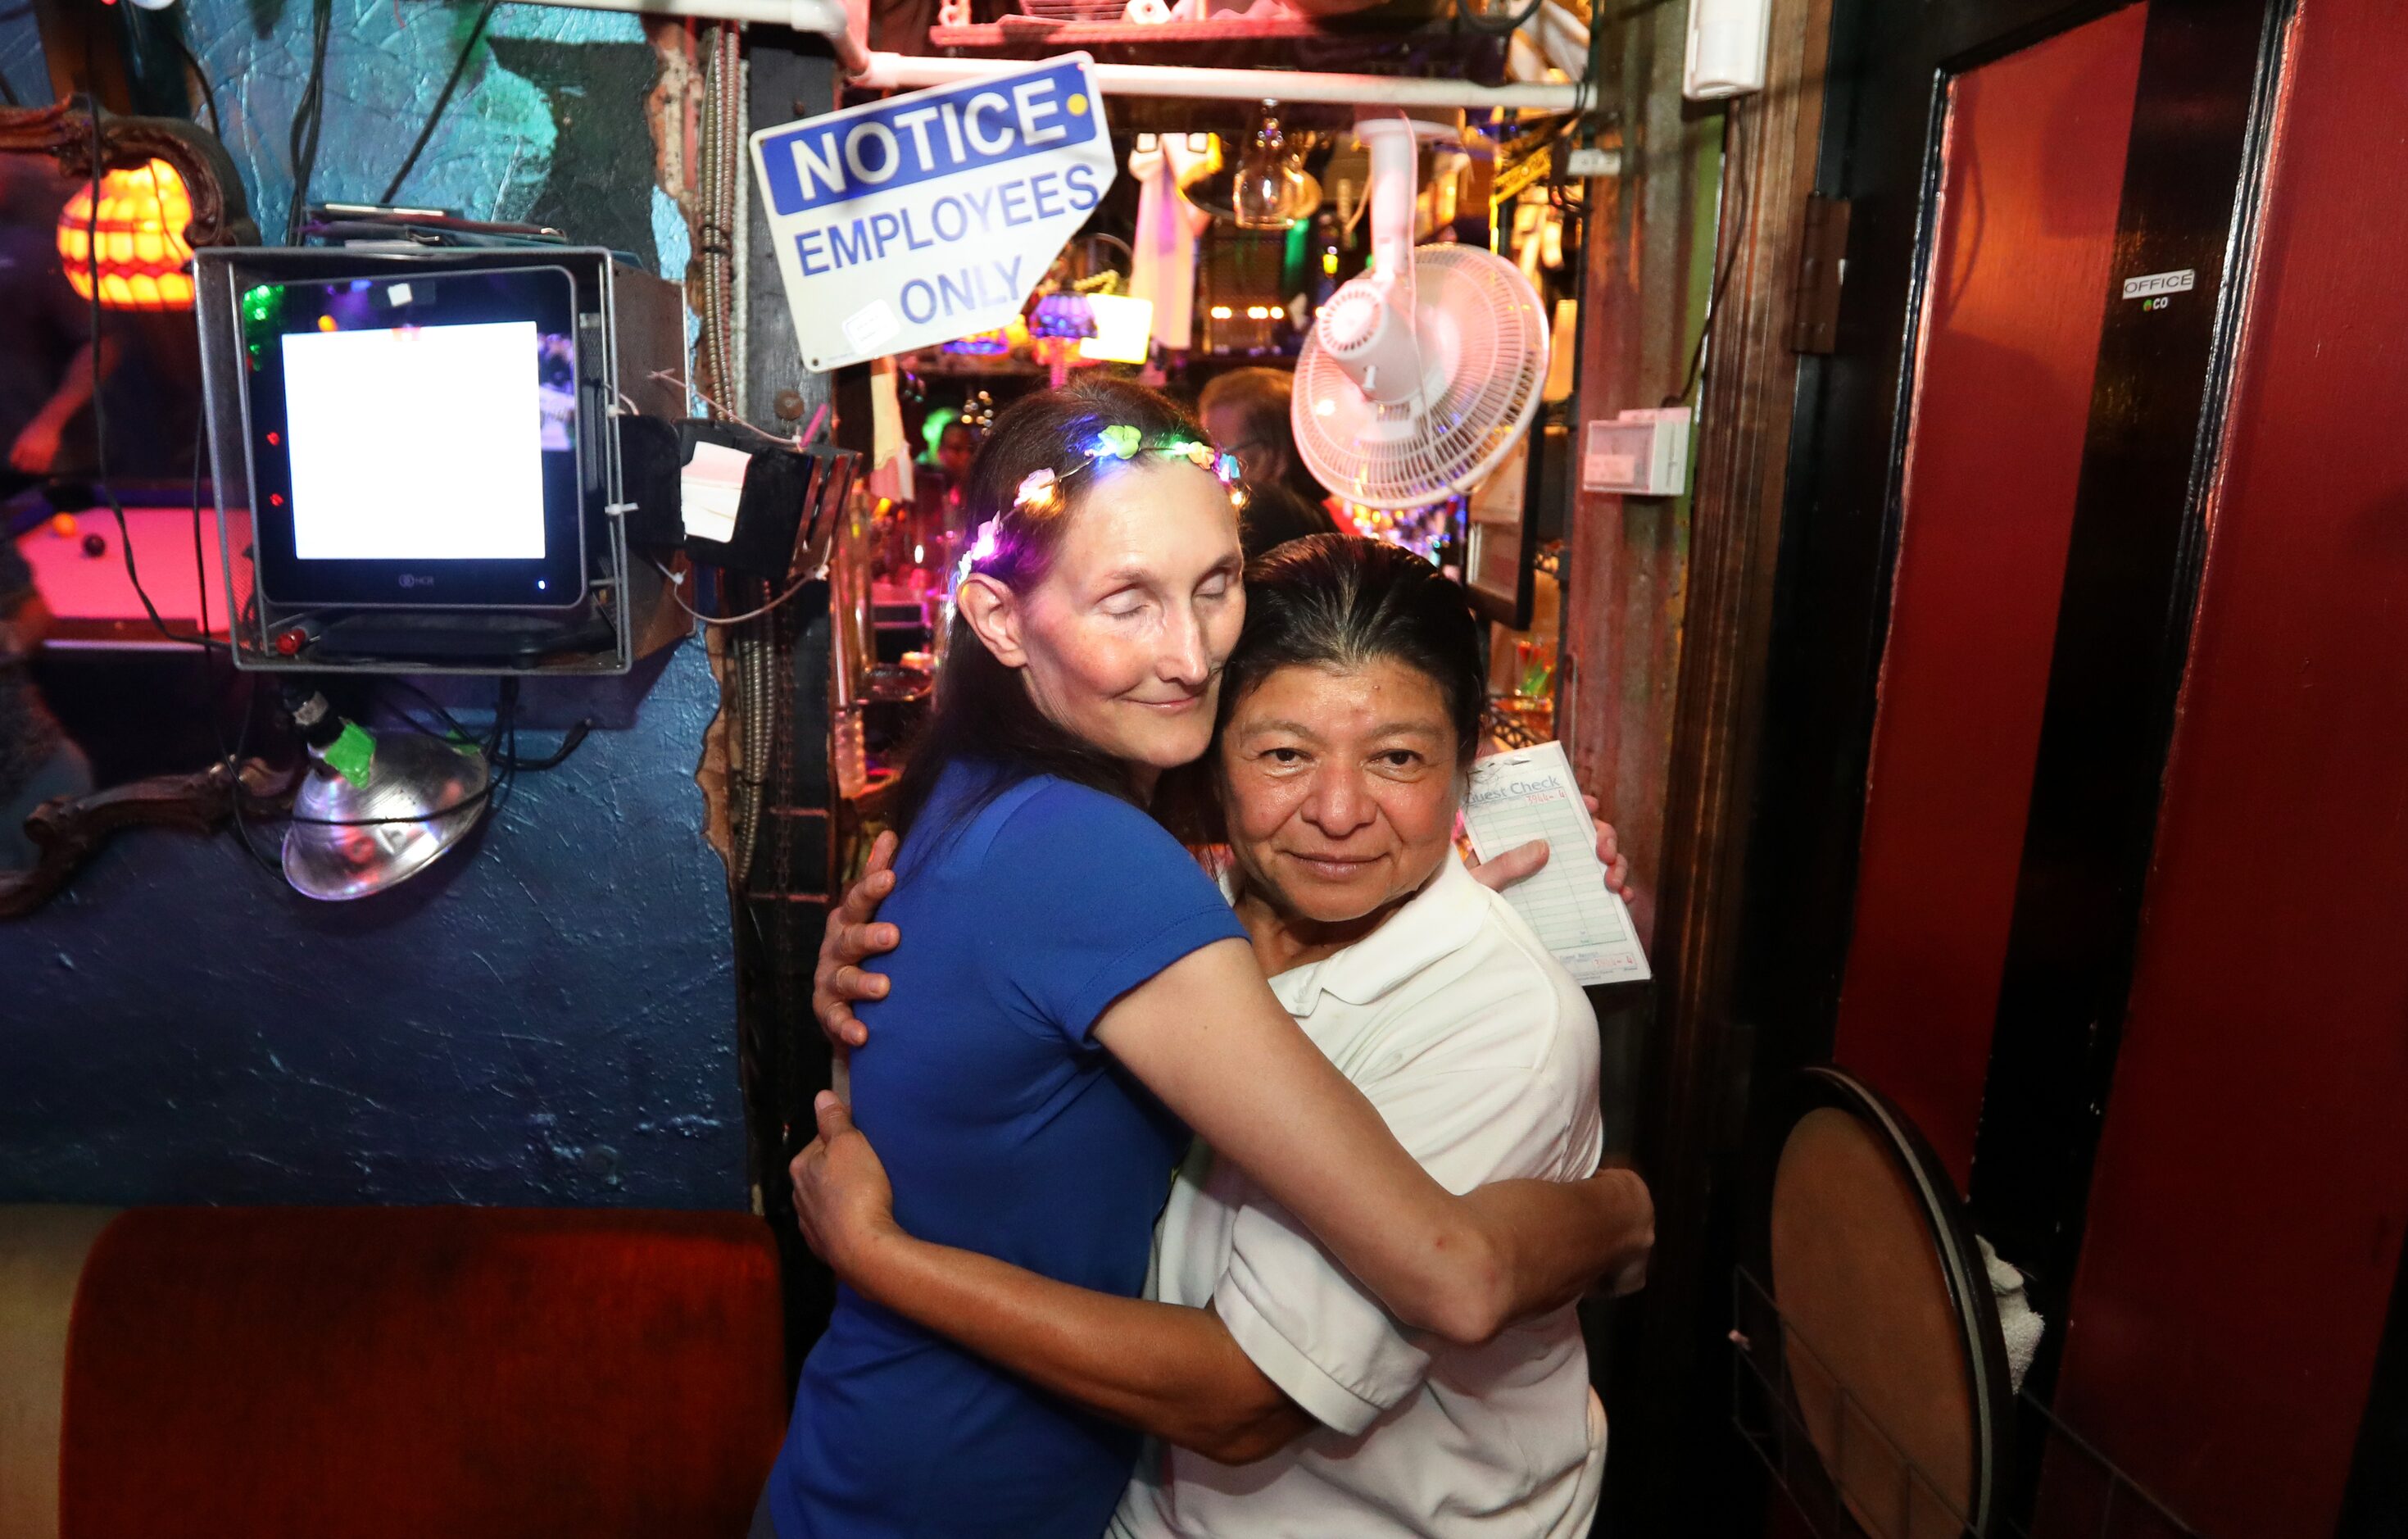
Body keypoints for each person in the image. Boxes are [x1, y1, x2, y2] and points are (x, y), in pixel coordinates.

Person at [752, 379, 1648, 1539]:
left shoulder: (978, 801)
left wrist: (1403, 881)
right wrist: (1622, 1212)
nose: (1186, 652)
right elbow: (1454, 1275)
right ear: (1001, 618)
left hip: (891, 1467)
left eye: (1212, 585)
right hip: (952, 1495)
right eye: (1126, 600)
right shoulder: (1097, 859)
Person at [1197, 366, 1341, 561]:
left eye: (1219, 451)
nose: (1205, 461)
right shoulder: (1309, 518)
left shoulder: (1263, 507)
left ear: (1270, 457)